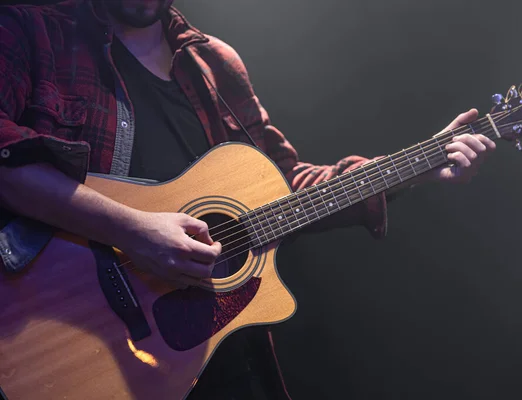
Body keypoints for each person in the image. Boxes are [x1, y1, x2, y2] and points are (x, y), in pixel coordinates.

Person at [0, 0, 496, 398]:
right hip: (67, 340)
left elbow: (284, 186)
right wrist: (133, 229)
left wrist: (417, 166)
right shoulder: (32, 29)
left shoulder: (213, 62)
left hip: (215, 353)